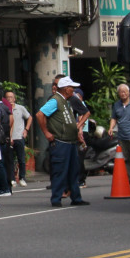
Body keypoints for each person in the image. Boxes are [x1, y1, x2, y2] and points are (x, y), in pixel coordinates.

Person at [37, 77, 89, 208]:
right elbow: (39, 115)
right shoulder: (55, 100)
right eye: (72, 87)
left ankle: (76, 197)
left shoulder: (65, 101)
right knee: (60, 171)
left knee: (73, 171)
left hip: (70, 141)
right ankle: (56, 199)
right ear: (66, 89)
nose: (74, 89)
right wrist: (46, 133)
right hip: (60, 142)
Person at [109, 84, 130, 183]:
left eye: (125, 91)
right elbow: (114, 118)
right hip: (122, 135)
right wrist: (111, 128)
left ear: (129, 92)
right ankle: (128, 177)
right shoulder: (116, 105)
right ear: (118, 94)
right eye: (121, 92)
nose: (123, 94)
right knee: (125, 157)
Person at [6, 90, 32, 187]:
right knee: (10, 160)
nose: (10, 99)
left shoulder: (20, 108)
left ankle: (22, 178)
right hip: (9, 138)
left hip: (19, 136)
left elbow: (30, 117)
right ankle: (12, 179)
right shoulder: (5, 109)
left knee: (21, 159)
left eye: (11, 97)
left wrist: (26, 129)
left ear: (14, 98)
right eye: (7, 97)